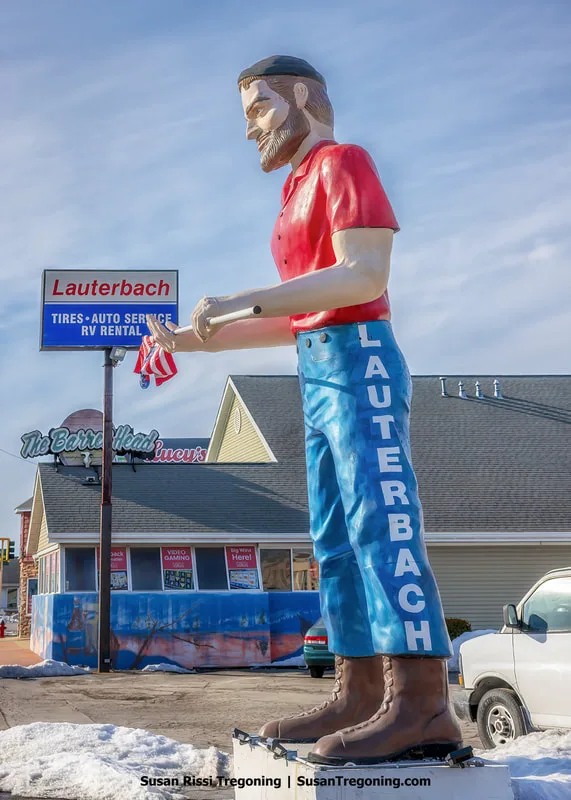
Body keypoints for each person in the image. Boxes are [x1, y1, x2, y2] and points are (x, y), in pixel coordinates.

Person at [147, 55, 462, 765]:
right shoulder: (292, 194)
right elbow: (302, 314)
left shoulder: (343, 162)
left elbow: (362, 275)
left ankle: (421, 703)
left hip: (360, 359)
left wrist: (236, 301)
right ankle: (357, 693)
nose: (251, 128)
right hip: (316, 364)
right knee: (334, 538)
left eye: (258, 109)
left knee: (381, 523)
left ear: (300, 96)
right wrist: (195, 341)